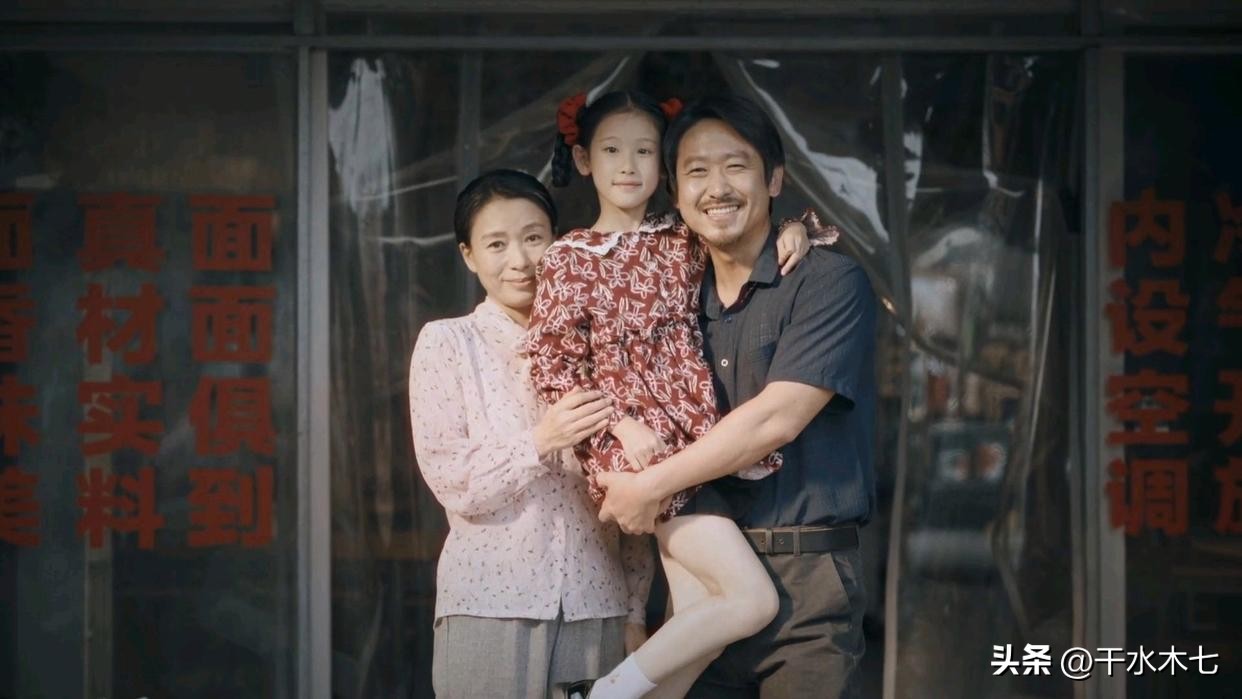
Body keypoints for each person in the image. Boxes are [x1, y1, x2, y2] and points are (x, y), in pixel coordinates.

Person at [524, 91, 834, 699]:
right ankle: (600, 694)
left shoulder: (680, 236)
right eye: (612, 151)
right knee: (751, 600)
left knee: (698, 624)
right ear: (584, 160)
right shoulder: (568, 258)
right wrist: (621, 426)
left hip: (691, 438)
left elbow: (740, 230)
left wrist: (794, 227)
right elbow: (553, 366)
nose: (629, 166)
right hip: (636, 450)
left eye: (644, 152)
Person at [592, 94, 878, 699]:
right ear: (674, 192)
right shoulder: (669, 293)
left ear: (774, 179)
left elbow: (774, 421)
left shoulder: (827, 282)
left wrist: (648, 487)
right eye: (697, 171)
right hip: (705, 582)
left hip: (807, 587)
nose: (716, 187)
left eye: (736, 166)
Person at [408, 169, 653, 699]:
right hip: (489, 604)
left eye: (534, 238)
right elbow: (452, 479)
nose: (519, 260)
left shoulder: (602, 344)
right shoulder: (448, 343)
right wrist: (540, 441)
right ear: (469, 255)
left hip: (596, 605)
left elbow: (636, 489)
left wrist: (634, 609)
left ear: (558, 244)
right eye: (496, 244)